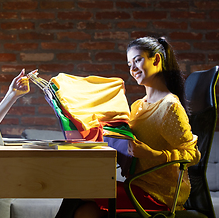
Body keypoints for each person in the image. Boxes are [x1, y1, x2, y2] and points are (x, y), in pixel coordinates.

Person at [55, 37, 201, 218]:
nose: (132, 69)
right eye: (129, 64)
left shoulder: (170, 106)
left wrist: (151, 154)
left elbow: (193, 154)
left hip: (160, 195)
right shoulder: (138, 106)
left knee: (80, 190)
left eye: (138, 60)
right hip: (135, 185)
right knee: (85, 211)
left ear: (156, 60)